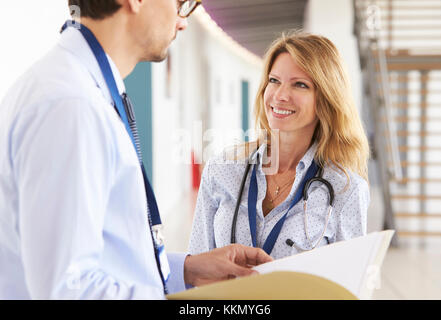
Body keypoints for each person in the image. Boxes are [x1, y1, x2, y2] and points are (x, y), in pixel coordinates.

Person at [0, 0, 272, 300]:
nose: (182, 22)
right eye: (180, 3)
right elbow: (68, 291)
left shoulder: (81, 90)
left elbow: (99, 255)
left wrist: (187, 269)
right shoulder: (72, 106)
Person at [189, 31, 371, 260]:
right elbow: (196, 266)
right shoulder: (222, 170)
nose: (280, 95)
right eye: (274, 81)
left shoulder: (345, 189)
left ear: (326, 99)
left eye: (300, 85)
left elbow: (348, 285)